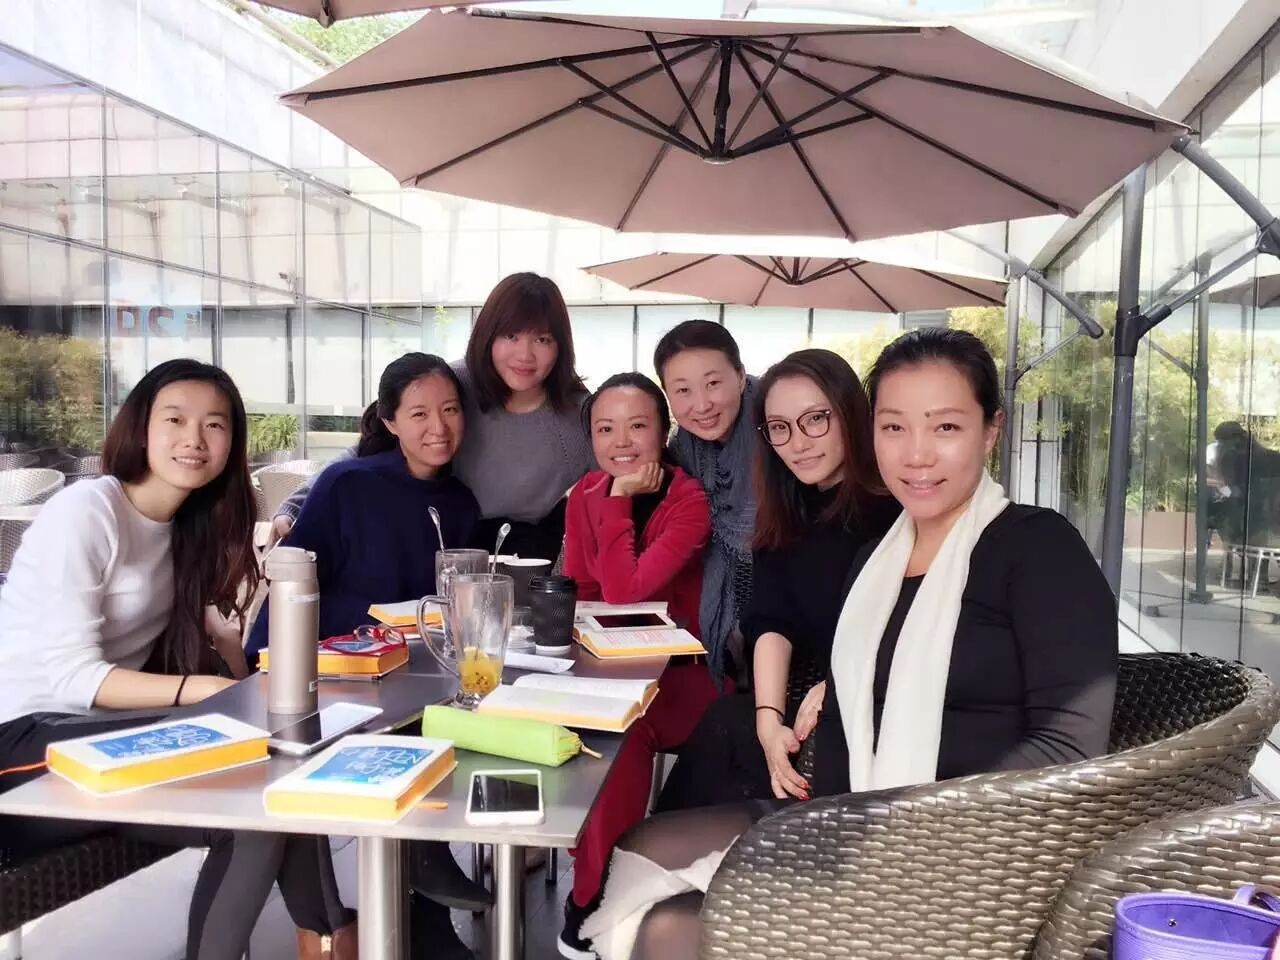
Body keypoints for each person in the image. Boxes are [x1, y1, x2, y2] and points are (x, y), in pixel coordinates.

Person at [580, 327, 1119, 960]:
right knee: (640, 852)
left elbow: (1068, 750)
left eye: (945, 427)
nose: (916, 454)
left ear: (990, 431)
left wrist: (895, 831)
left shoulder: (1038, 546)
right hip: (852, 803)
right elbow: (831, 667)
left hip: (961, 847)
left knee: (673, 926)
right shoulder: (880, 561)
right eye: (895, 428)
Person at [0, 359, 357, 960]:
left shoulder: (189, 529)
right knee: (264, 778)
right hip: (23, 745)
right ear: (141, 428)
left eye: (214, 425)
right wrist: (204, 692)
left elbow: (208, 655)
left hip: (102, 741)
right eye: (175, 420)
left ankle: (328, 941)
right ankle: (330, 938)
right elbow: (70, 677)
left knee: (274, 787)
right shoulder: (89, 509)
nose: (195, 438)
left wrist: (230, 658)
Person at [244, 352, 484, 958]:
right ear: (391, 420)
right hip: (328, 671)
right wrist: (270, 659)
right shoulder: (349, 483)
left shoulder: (461, 502)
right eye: (419, 413)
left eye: (450, 410)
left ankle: (424, 901)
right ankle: (424, 884)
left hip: (411, 671)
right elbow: (296, 576)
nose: (438, 427)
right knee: (409, 735)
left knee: (462, 720)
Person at [656, 349, 899, 812]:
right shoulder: (786, 509)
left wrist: (839, 684)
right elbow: (770, 621)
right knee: (729, 725)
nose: (798, 443)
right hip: (801, 697)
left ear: (850, 413)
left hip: (874, 705)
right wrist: (767, 720)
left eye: (815, 419)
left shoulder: (896, 509)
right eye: (780, 428)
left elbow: (911, 626)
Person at [269, 274, 595, 565]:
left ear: (560, 345)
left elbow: (614, 477)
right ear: (488, 335)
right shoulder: (453, 383)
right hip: (423, 537)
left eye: (542, 339)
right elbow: (369, 448)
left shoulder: (581, 416)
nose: (525, 355)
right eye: (511, 336)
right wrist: (297, 505)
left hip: (520, 557)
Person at [558, 373, 714, 959]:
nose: (621, 441)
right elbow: (584, 588)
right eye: (605, 429)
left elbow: (623, 592)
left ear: (663, 431)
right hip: (605, 665)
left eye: (637, 425)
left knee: (617, 734)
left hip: (679, 679)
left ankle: (591, 899)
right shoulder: (584, 492)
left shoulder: (689, 501)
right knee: (564, 717)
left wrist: (619, 499)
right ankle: (596, 876)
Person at [653, 321, 757, 689]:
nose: (701, 405)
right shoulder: (684, 450)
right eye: (683, 390)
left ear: (740, 377)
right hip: (729, 626)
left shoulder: (779, 430)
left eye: (713, 383)